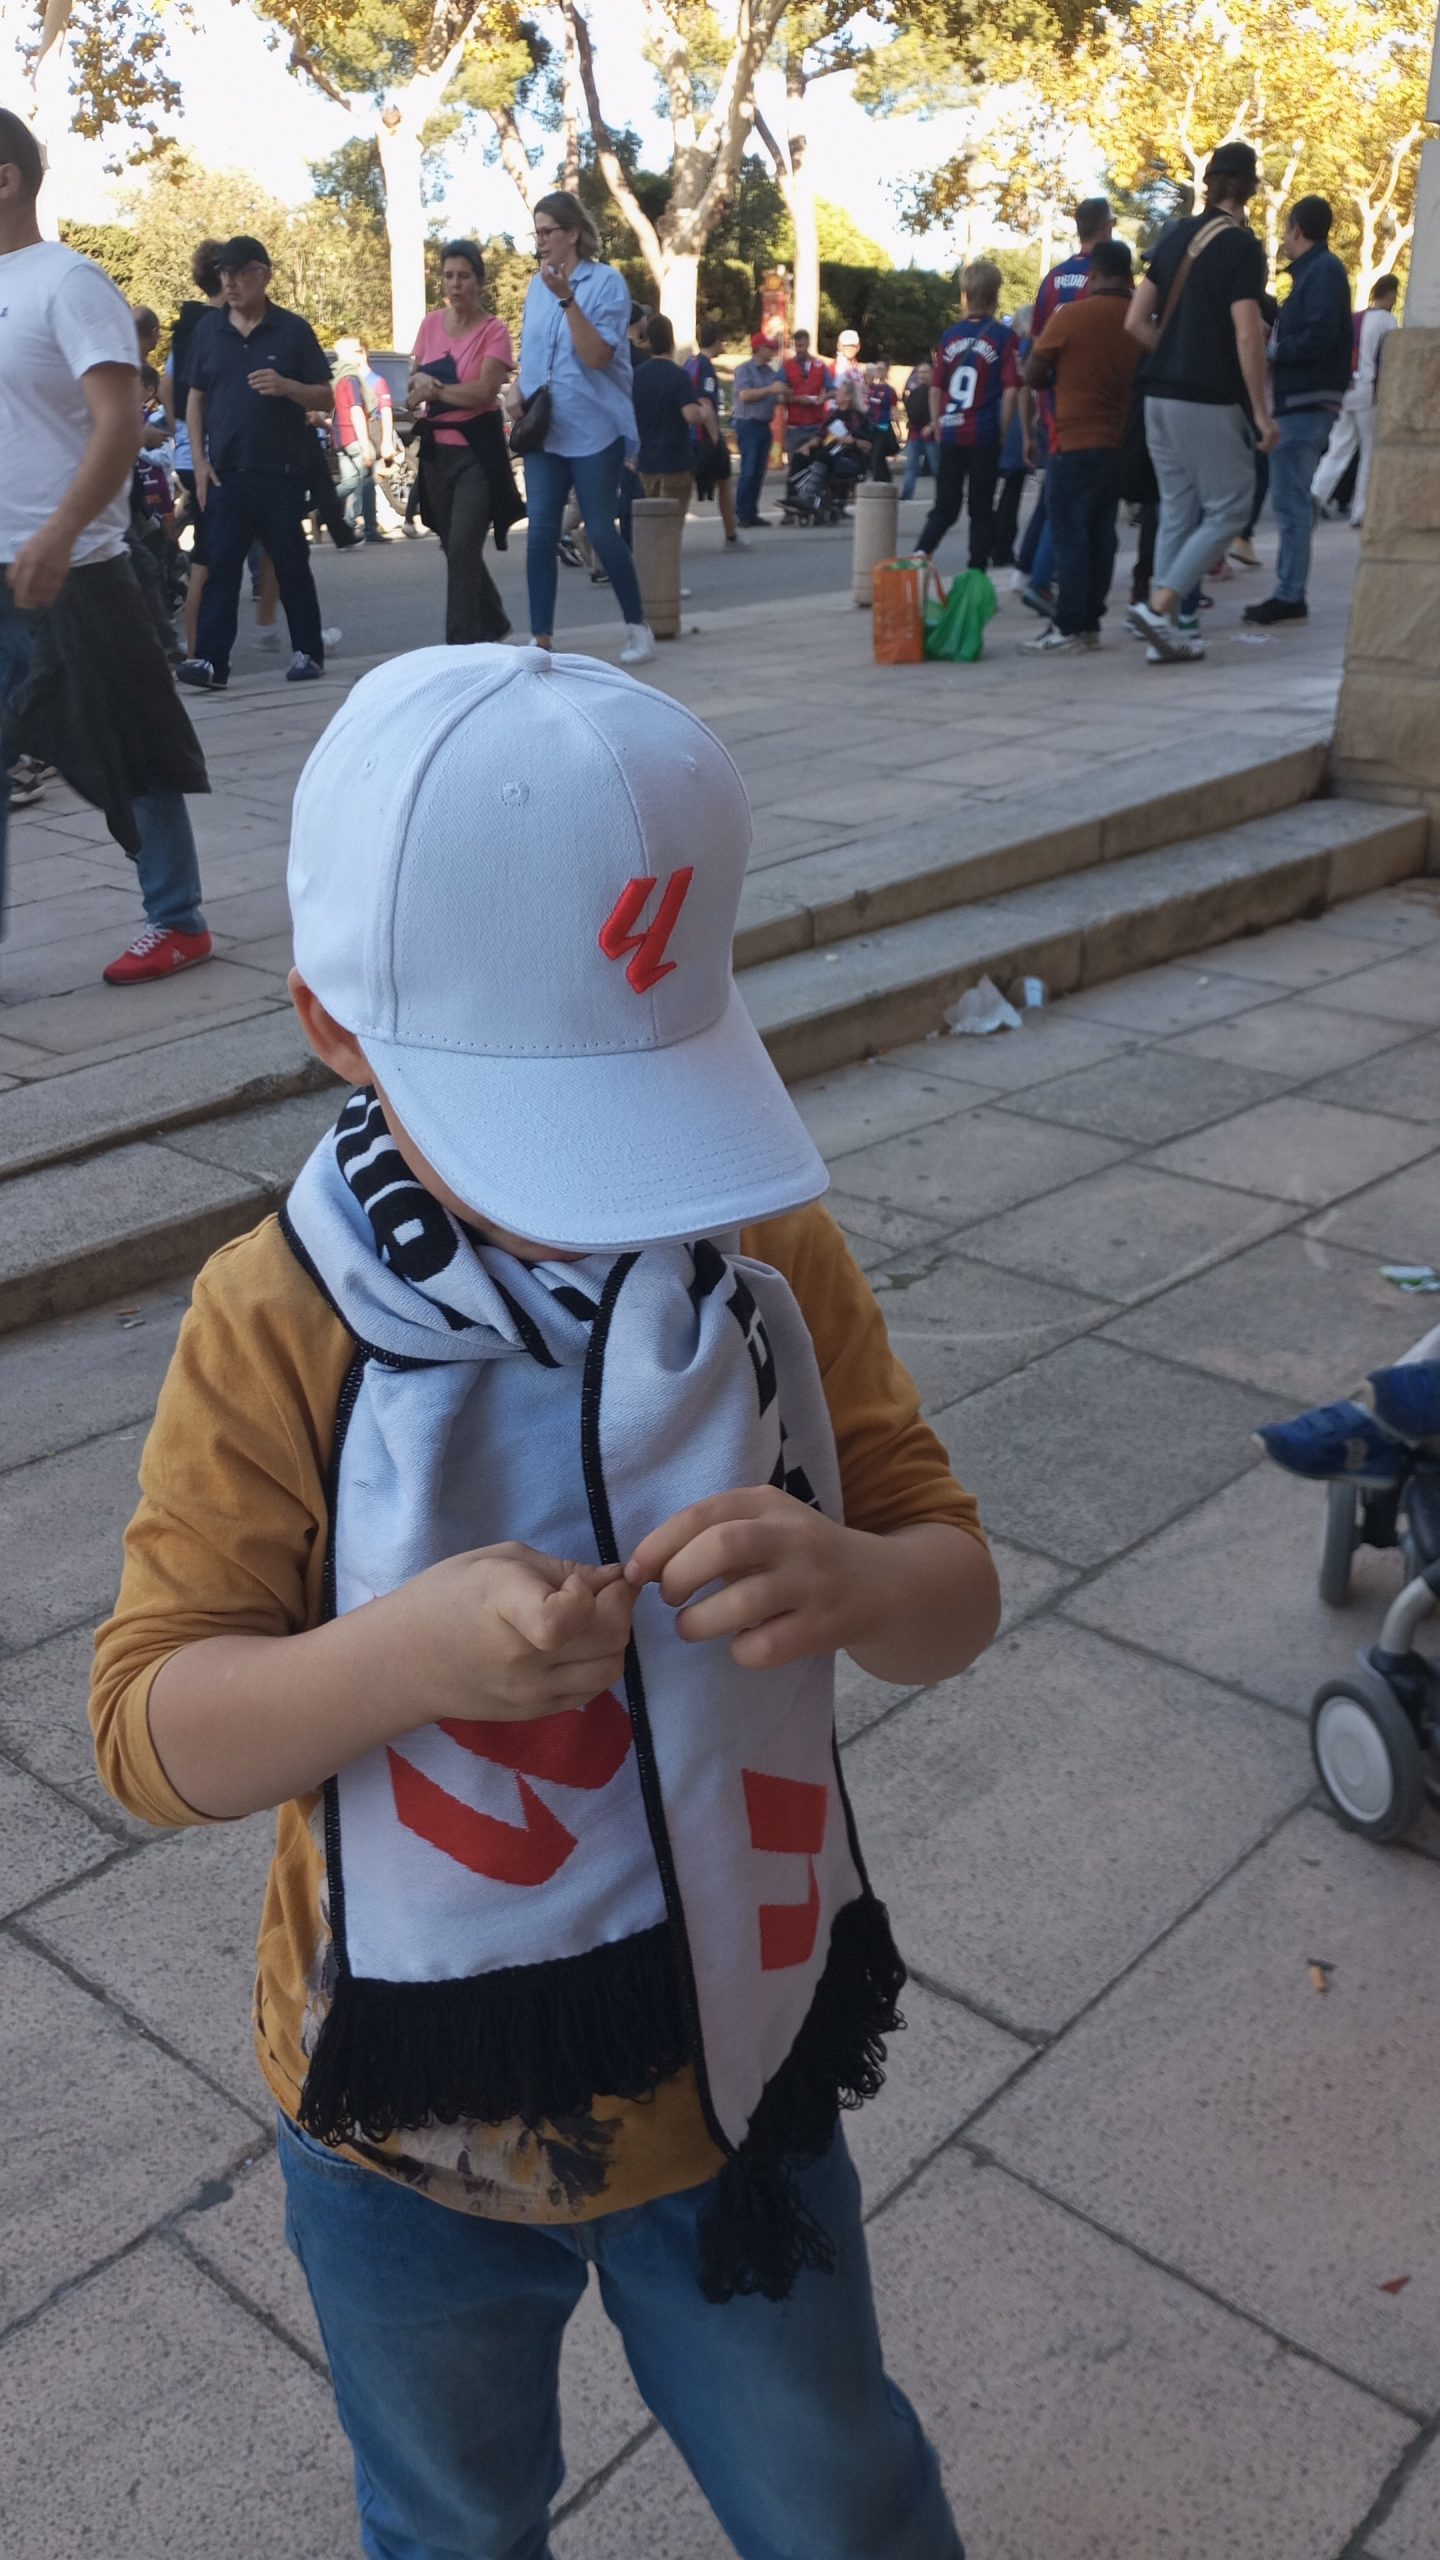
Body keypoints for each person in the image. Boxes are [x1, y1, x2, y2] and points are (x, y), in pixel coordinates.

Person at [93, 638, 1000, 2560]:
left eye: (641, 1110)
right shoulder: (278, 1321)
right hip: (400, 2131)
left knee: (839, 2492)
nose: (605, 1199)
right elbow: (148, 1733)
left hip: (731, 2070)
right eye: (538, 1130)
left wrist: (842, 1575)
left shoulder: (756, 1247)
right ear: (334, 1028)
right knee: (452, 2515)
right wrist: (405, 1656)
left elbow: (952, 1594)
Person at [0, 105, 211, 984]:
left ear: (5, 178)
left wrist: (56, 534)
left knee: (128, 747)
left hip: (73, 568)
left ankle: (178, 919)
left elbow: (121, 425)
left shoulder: (68, 282)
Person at [1124, 141, 1278, 665]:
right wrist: (1260, 412)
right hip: (1207, 398)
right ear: (1251, 189)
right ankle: (1159, 605)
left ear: (1209, 184)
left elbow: (1134, 321)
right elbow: (1247, 334)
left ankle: (1162, 637)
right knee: (1231, 505)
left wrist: (1170, 353)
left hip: (1157, 397)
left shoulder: (1176, 237)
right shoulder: (1241, 247)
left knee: (1179, 510)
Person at [178, 234, 334, 689]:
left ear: (261, 276)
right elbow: (195, 399)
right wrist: (200, 460)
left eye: (238, 273)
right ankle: (210, 662)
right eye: (223, 274)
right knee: (220, 568)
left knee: (290, 564)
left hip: (282, 471)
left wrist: (287, 386)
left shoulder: (292, 329)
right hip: (225, 473)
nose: (228, 282)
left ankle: (308, 650)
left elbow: (326, 393)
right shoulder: (209, 330)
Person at [514, 190, 654, 665]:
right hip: (546, 430)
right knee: (540, 533)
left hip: (595, 430)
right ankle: (541, 638)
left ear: (573, 233)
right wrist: (518, 391)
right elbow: (531, 352)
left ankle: (638, 626)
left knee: (599, 528)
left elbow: (597, 356)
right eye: (536, 233)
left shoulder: (606, 283)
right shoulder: (537, 285)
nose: (541, 242)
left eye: (547, 232)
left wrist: (567, 299)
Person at [1020, 240, 1141, 654]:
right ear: (1129, 274)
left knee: (1071, 535)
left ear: (1095, 274)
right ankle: (1090, 622)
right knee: (1102, 534)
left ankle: (1068, 626)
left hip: (1071, 440)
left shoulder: (1070, 316)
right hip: (1120, 442)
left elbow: (1033, 374)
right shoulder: (1140, 318)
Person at [1242, 195, 1353, 626]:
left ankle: (1290, 593)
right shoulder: (1320, 272)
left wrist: (1274, 349)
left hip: (1304, 401)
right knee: (1291, 502)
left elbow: (1321, 334)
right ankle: (1289, 590)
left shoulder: (1321, 271)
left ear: (1297, 229)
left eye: (1287, 229)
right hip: (1305, 399)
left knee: (1290, 504)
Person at [409, 242, 520, 646]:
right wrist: (423, 388)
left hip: (477, 453)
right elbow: (412, 386)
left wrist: (435, 389)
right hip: (437, 452)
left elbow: (483, 393)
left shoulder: (495, 331)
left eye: (464, 276)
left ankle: (457, 648)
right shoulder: (430, 326)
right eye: (449, 276)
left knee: (461, 549)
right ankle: (495, 622)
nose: (456, 284)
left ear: (480, 281)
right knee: (453, 547)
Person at [1015, 199, 1114, 614]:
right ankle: (1042, 579)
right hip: (1092, 397)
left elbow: (1037, 345)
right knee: (1071, 497)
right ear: (1107, 226)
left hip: (1052, 394)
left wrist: (1037, 402)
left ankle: (1032, 570)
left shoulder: (1054, 279)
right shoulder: (1108, 278)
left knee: (1058, 489)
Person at [915, 257, 1020, 573]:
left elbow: (935, 388)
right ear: (996, 293)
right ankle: (975, 573)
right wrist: (1002, 430)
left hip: (951, 431)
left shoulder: (949, 337)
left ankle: (919, 555)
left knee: (945, 506)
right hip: (983, 432)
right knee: (981, 508)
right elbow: (1012, 389)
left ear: (965, 295)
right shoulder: (1003, 337)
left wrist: (937, 422)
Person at [1312, 273, 1399, 530]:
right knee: (1369, 451)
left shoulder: (1357, 317)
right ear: (1391, 293)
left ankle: (1315, 496)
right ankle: (1361, 511)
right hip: (1369, 393)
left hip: (1346, 390)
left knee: (1338, 447)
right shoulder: (1387, 321)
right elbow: (1390, 360)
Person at [685, 320, 746, 547]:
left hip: (689, 434)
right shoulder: (706, 368)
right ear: (716, 341)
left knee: (686, 484)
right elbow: (705, 404)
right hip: (702, 435)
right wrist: (715, 439)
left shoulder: (689, 363)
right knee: (725, 482)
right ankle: (731, 534)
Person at [333, 335, 395, 543]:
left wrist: (387, 440)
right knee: (360, 483)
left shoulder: (366, 380)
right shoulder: (351, 379)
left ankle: (356, 526)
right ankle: (362, 526)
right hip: (357, 437)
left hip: (344, 437)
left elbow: (385, 411)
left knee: (358, 482)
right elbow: (356, 410)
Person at [731, 330, 782, 525]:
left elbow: (776, 395)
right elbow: (744, 395)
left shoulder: (770, 372)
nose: (772, 352)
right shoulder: (744, 369)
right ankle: (742, 512)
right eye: (768, 348)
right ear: (759, 349)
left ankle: (752, 511)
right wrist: (770, 390)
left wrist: (782, 394)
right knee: (749, 469)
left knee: (759, 470)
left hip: (763, 425)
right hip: (748, 423)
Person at [781, 328, 831, 460]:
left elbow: (833, 390)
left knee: (816, 466)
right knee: (795, 466)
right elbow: (778, 394)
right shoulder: (787, 366)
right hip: (794, 427)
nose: (799, 349)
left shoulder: (820, 365)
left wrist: (824, 397)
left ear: (808, 344)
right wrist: (797, 399)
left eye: (802, 346)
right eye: (796, 346)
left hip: (816, 425)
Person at [900, 362, 936, 499]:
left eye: (925, 372)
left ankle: (944, 495)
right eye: (920, 372)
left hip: (930, 436)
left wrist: (932, 425)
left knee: (936, 467)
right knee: (910, 467)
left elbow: (941, 412)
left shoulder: (936, 392)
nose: (922, 375)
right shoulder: (914, 393)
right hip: (914, 435)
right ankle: (906, 495)